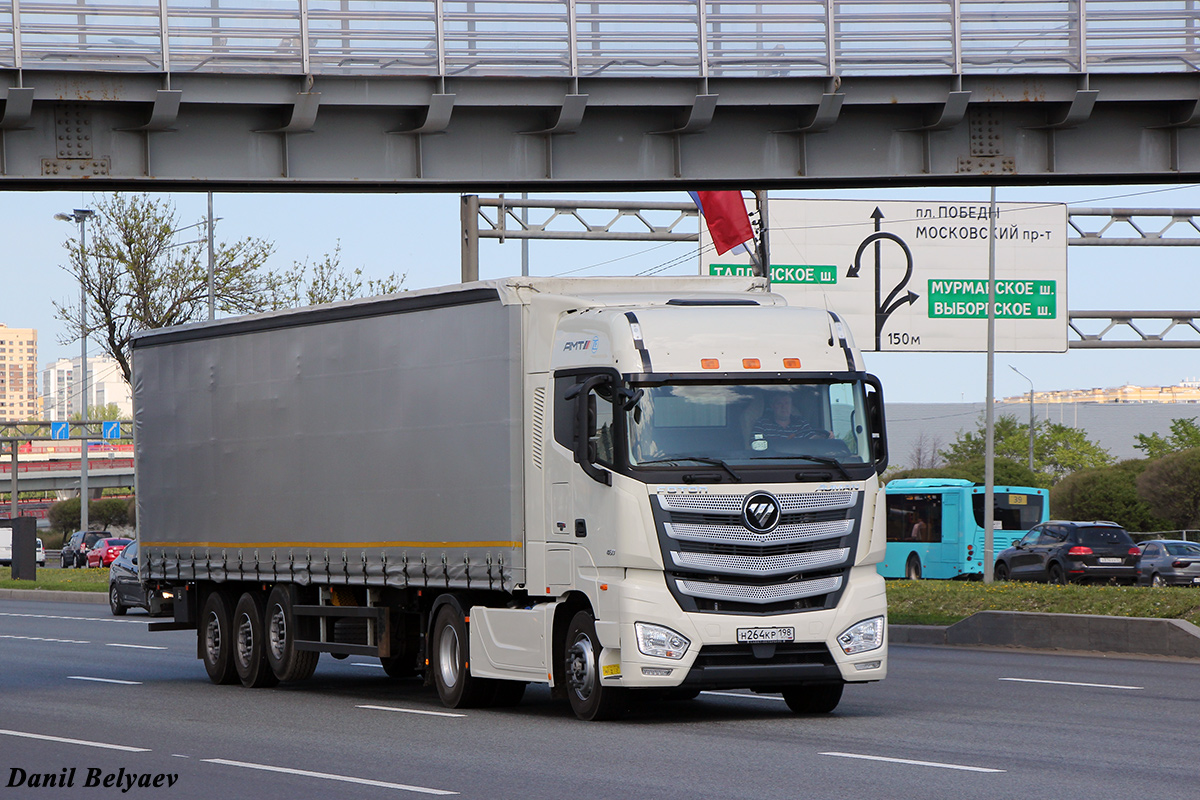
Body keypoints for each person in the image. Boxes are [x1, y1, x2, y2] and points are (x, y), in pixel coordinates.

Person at [750, 392, 827, 444]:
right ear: (772, 406)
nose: (784, 407)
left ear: (791, 405)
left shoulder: (801, 423)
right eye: (779, 403)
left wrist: (825, 438)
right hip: (771, 464)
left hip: (800, 463)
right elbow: (755, 445)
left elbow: (813, 439)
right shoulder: (762, 424)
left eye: (787, 403)